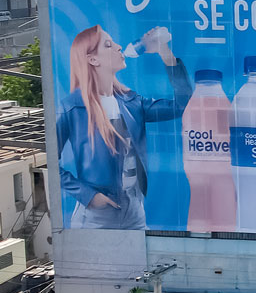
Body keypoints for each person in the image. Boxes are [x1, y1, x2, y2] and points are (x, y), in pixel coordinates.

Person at [56, 25, 192, 230]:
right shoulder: (72, 108)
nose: (119, 47)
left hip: (134, 209)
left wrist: (164, 51)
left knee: (140, 263)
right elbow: (49, 161)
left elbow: (182, 104)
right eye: (109, 45)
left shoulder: (131, 102)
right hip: (97, 216)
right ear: (93, 59)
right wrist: (88, 196)